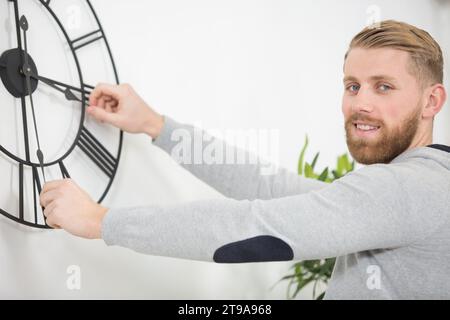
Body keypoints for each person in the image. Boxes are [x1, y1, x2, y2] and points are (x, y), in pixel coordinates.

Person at [39, 20, 450, 299]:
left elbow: (251, 226)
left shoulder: (405, 188)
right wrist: (156, 125)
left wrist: (100, 221)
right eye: (353, 85)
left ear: (432, 101)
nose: (360, 104)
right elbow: (268, 189)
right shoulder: (425, 185)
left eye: (383, 87)